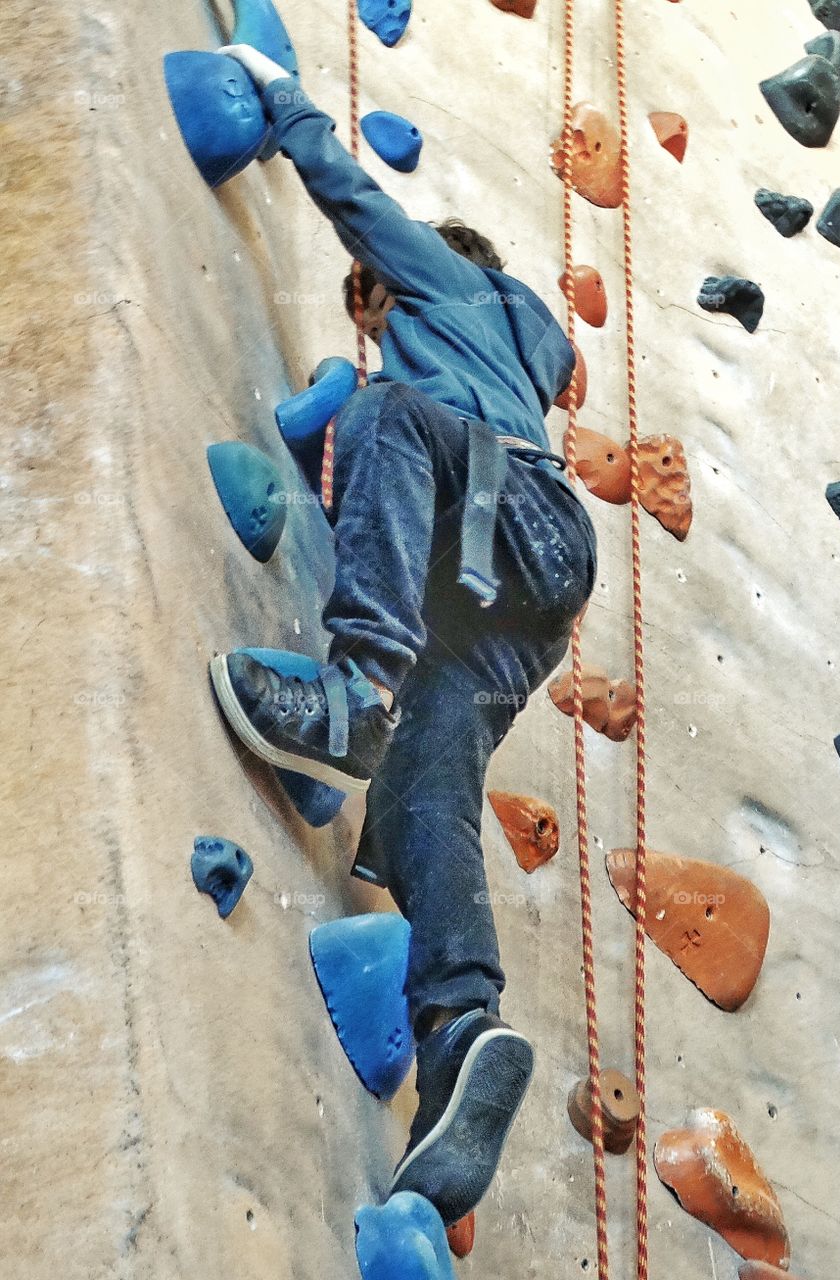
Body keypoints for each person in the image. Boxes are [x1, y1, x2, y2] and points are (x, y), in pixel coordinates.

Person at [209, 44, 597, 1227]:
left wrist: (277, 100)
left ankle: (349, 695)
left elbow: (356, 198)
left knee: (385, 415)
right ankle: (459, 1029)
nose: (371, 313)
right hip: (522, 598)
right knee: (432, 786)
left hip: (507, 513)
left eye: (373, 299)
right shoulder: (516, 356)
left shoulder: (455, 290)